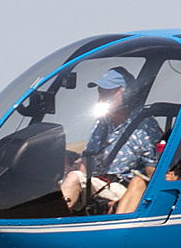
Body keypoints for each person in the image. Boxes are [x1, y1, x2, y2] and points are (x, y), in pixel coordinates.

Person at [60, 67, 163, 215]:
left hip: (125, 188)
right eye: (101, 93)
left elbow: (153, 173)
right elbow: (88, 161)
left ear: (127, 94)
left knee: (73, 178)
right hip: (98, 182)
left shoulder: (144, 126)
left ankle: (53, 223)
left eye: (109, 93)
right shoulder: (101, 123)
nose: (102, 98)